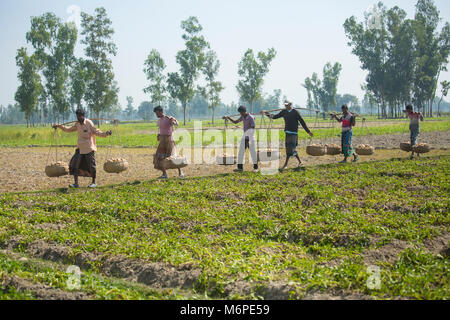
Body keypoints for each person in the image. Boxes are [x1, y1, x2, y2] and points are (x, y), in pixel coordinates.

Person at [53, 109, 112, 188]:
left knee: (91, 165)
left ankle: (93, 182)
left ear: (83, 116)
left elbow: (96, 132)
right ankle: (76, 183)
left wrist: (106, 133)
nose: (78, 118)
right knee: (75, 165)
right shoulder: (77, 124)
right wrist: (59, 126)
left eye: (79, 117)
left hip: (88, 148)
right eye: (77, 117)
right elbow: (68, 129)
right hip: (80, 148)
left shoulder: (89, 123)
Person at [263, 101, 314, 170]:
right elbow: (275, 117)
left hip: (294, 133)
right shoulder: (284, 112)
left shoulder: (295, 112)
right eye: (285, 105)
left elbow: (302, 122)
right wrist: (267, 114)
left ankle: (286, 164)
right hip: (287, 132)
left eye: (287, 105)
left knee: (290, 149)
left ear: (290, 105)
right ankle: (300, 161)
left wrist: (308, 131)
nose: (286, 106)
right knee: (291, 148)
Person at [223, 106, 258, 172]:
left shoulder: (250, 117)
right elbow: (235, 122)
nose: (240, 114)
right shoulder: (243, 117)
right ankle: (240, 168)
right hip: (244, 137)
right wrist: (228, 117)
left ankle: (256, 168)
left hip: (250, 138)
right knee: (241, 152)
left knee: (253, 153)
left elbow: (253, 128)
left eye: (241, 112)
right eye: (240, 113)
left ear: (244, 111)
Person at [153, 106, 184, 179]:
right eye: (155, 113)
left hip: (169, 140)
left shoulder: (168, 118)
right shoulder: (159, 120)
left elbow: (177, 123)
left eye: (157, 113)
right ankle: (164, 174)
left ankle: (180, 173)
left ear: (161, 112)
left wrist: (174, 121)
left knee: (173, 157)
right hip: (162, 140)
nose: (156, 115)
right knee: (160, 157)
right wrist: (159, 135)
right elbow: (161, 130)